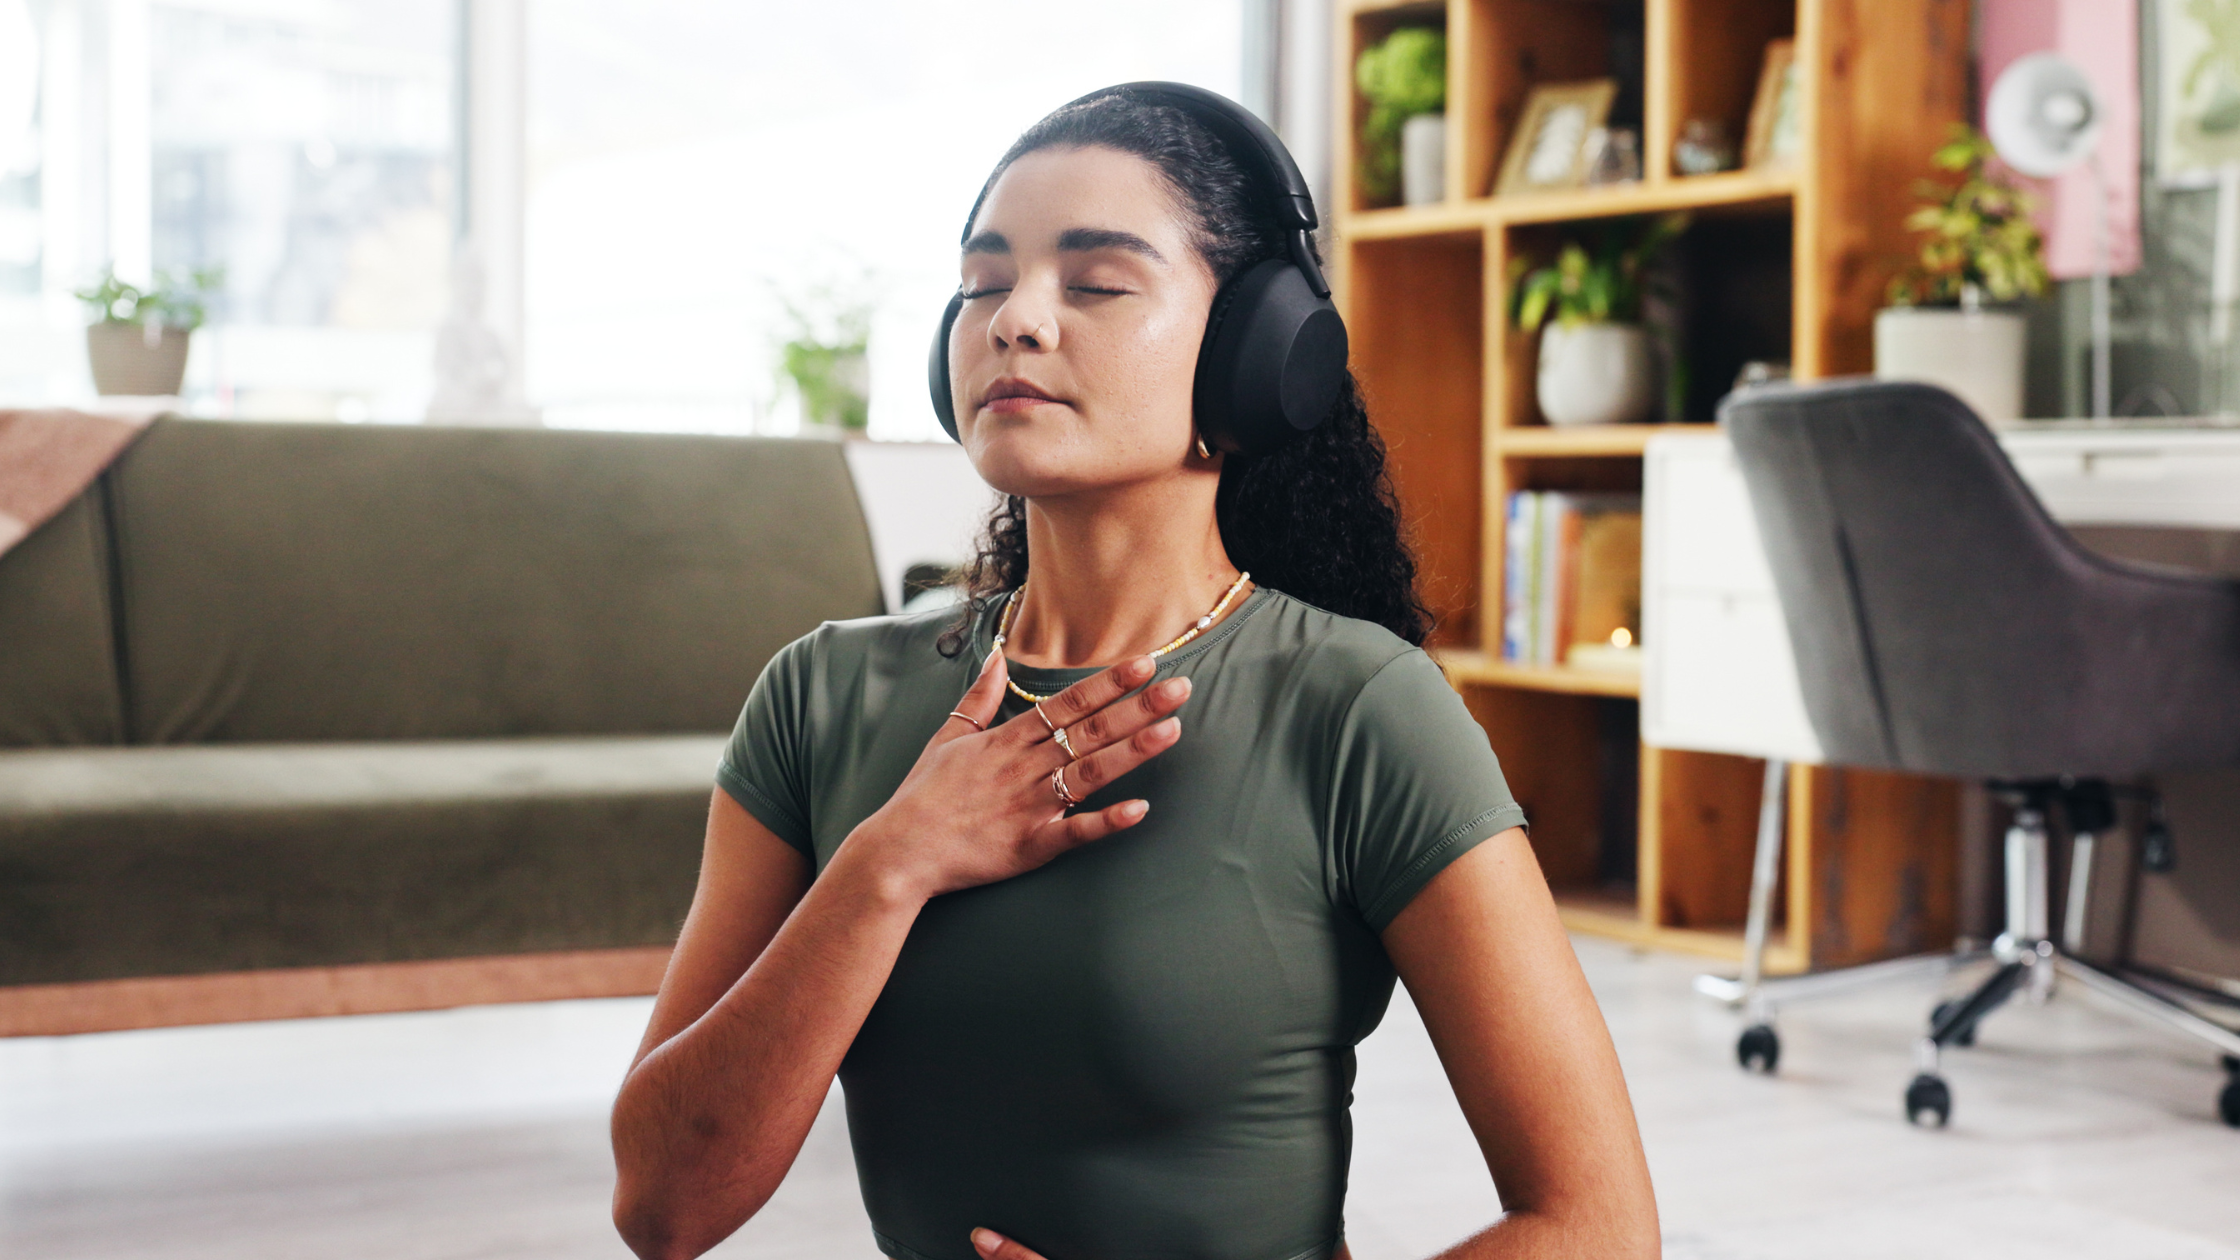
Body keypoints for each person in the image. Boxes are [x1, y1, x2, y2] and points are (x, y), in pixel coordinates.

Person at [610, 85, 1659, 1260]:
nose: (1015, 320)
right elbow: (662, 1210)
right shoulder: (820, 696)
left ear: (1255, 351)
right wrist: (888, 864)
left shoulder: (1358, 708)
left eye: (1096, 283)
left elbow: (1597, 1226)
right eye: (982, 283)